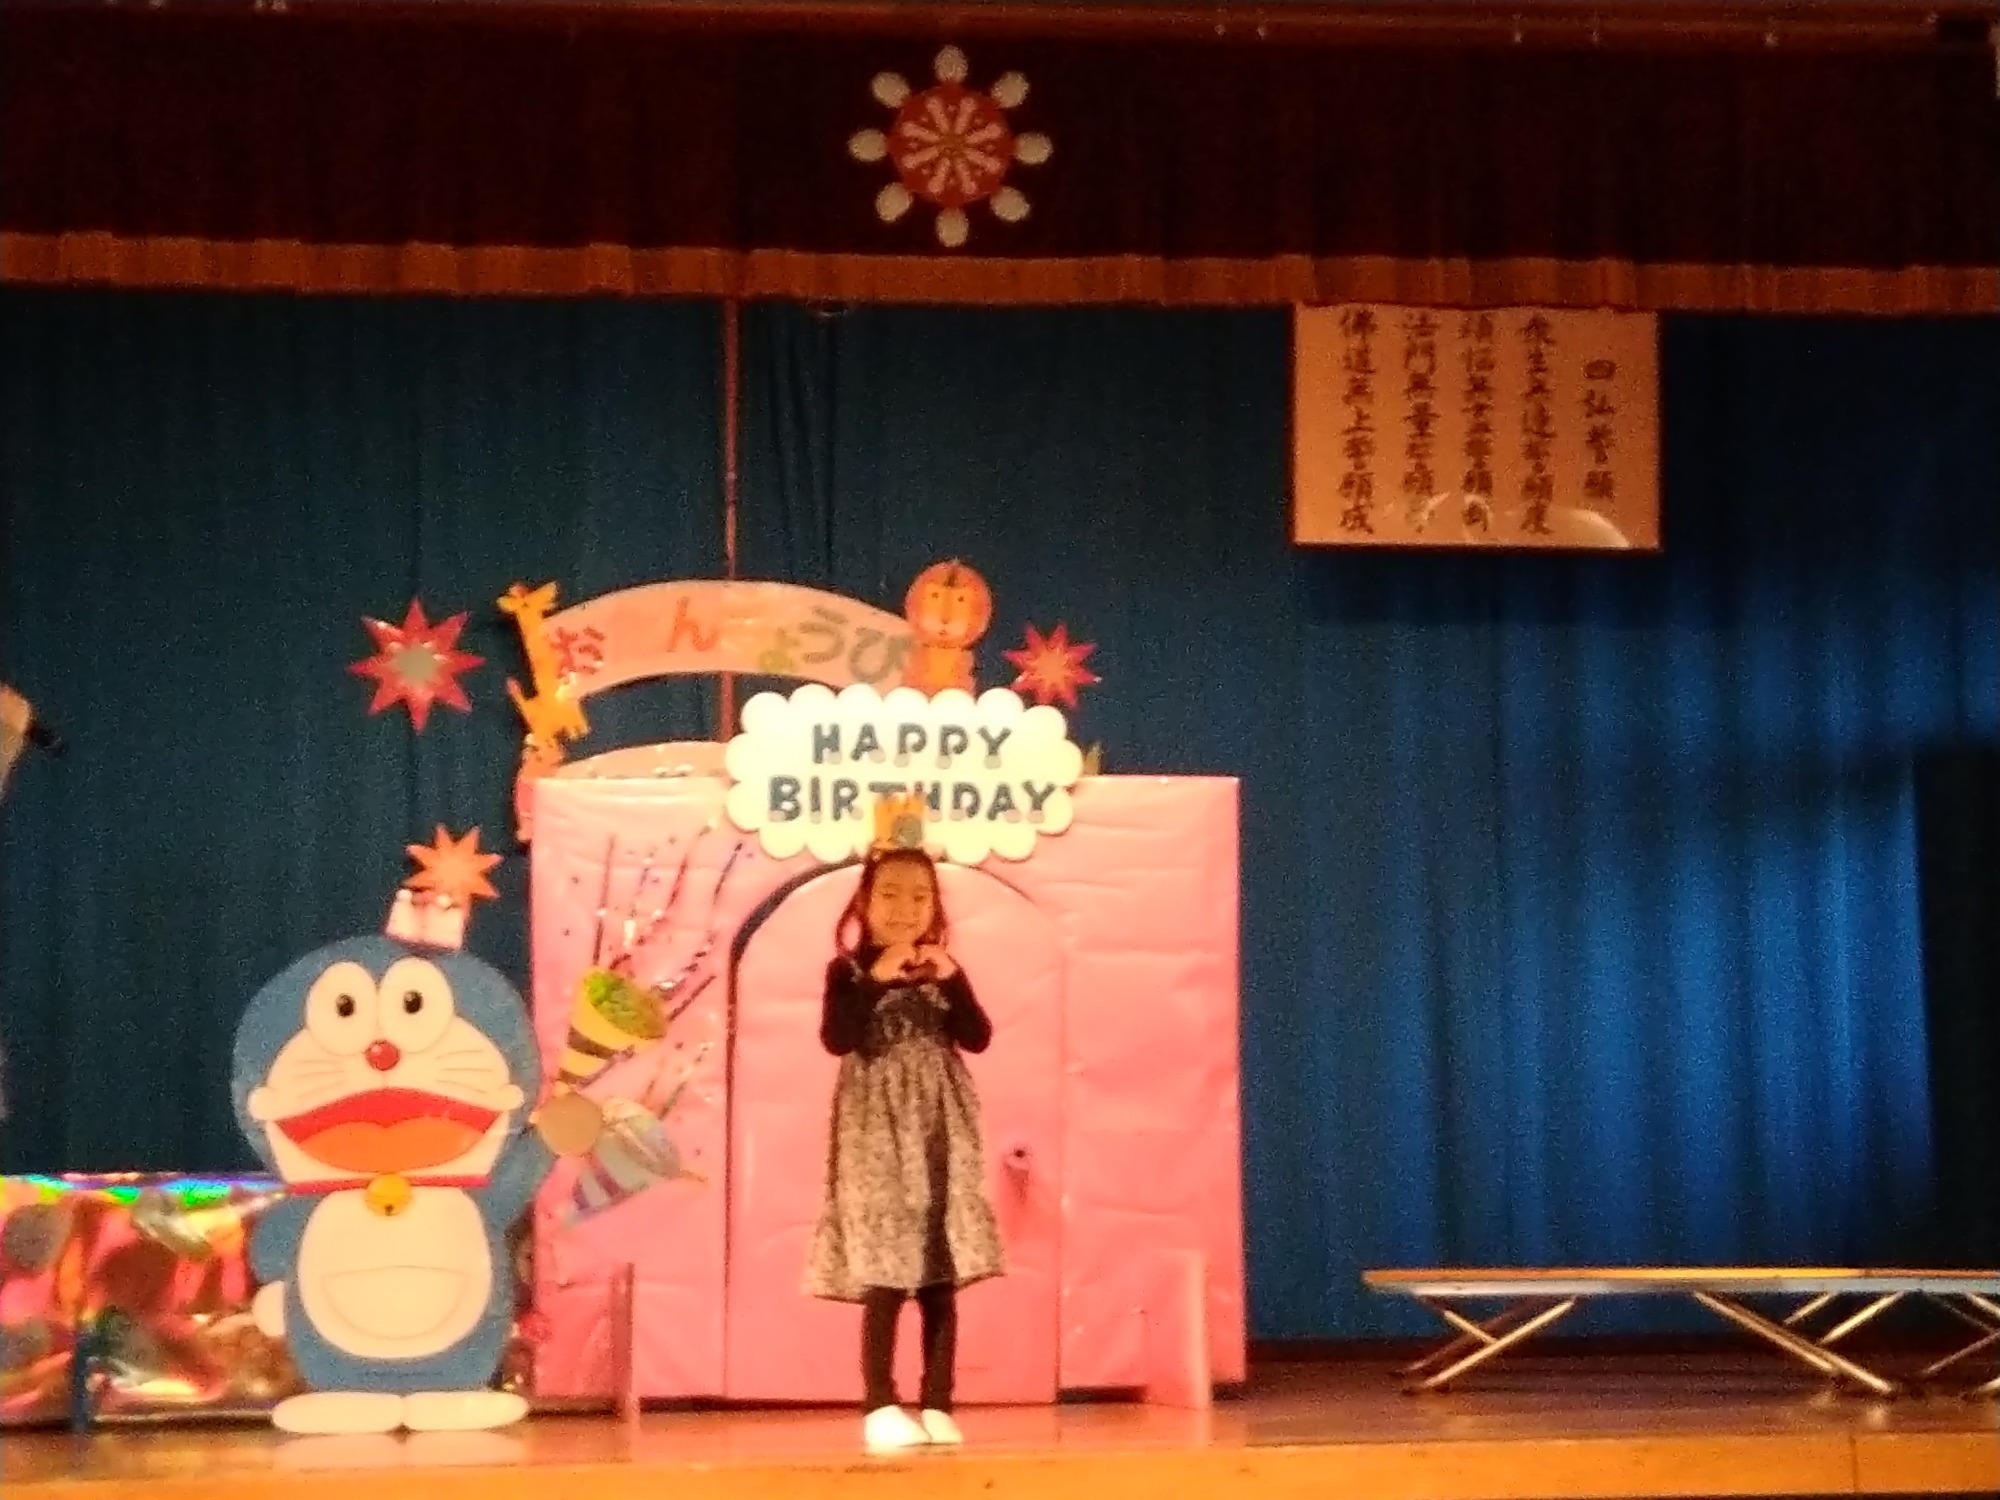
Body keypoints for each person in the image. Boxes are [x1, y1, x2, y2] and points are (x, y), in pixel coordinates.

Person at [805, 824, 1003, 1454]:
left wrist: (954, 980)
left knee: (940, 1270)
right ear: (864, 902)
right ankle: (880, 1402)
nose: (904, 908)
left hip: (940, 1129)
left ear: (935, 906)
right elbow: (838, 1038)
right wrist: (874, 981)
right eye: (889, 894)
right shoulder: (847, 971)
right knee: (887, 1269)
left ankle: (938, 1401)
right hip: (877, 1134)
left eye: (920, 896)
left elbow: (977, 1037)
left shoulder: (941, 970)